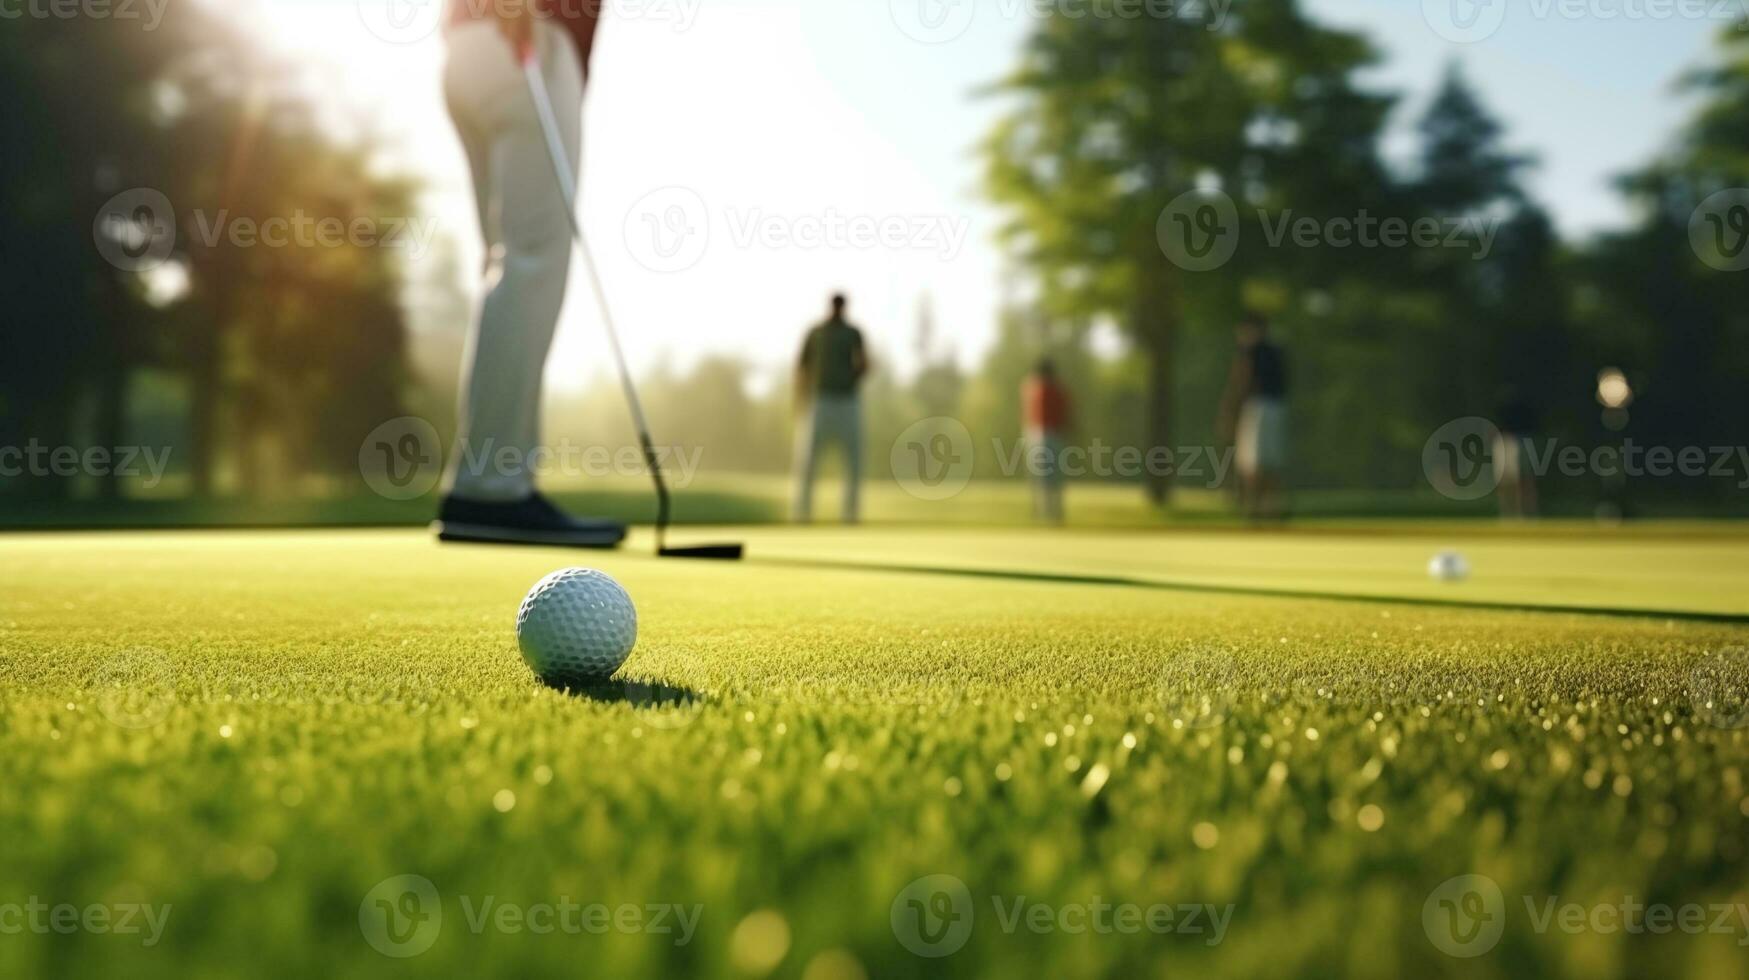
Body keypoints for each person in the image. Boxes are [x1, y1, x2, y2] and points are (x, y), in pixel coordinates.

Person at [432, 0, 626, 547]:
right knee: (531, 262)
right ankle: (492, 488)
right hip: (527, 40)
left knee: (504, 264)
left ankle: (485, 481)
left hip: (466, 50)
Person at [792, 293, 869, 523]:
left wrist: (854, 376)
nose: (838, 309)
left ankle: (850, 515)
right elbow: (802, 366)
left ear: (844, 307)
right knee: (807, 460)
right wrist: (800, 399)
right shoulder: (816, 332)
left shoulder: (853, 333)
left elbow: (864, 363)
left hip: (847, 401)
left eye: (841, 306)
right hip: (820, 400)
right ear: (831, 306)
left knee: (854, 460)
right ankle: (801, 514)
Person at [1219, 311, 1289, 521]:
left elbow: (1241, 380)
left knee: (1252, 462)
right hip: (1277, 409)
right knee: (1271, 461)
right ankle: (1271, 509)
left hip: (1257, 408)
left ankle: (1253, 509)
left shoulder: (1250, 350)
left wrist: (1229, 409)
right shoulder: (1277, 351)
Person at [1022, 358, 1071, 524]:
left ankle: (1048, 513)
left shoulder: (1033, 388)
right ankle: (1049, 513)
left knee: (1045, 476)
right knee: (1048, 476)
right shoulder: (1053, 388)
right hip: (1047, 434)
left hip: (1042, 434)